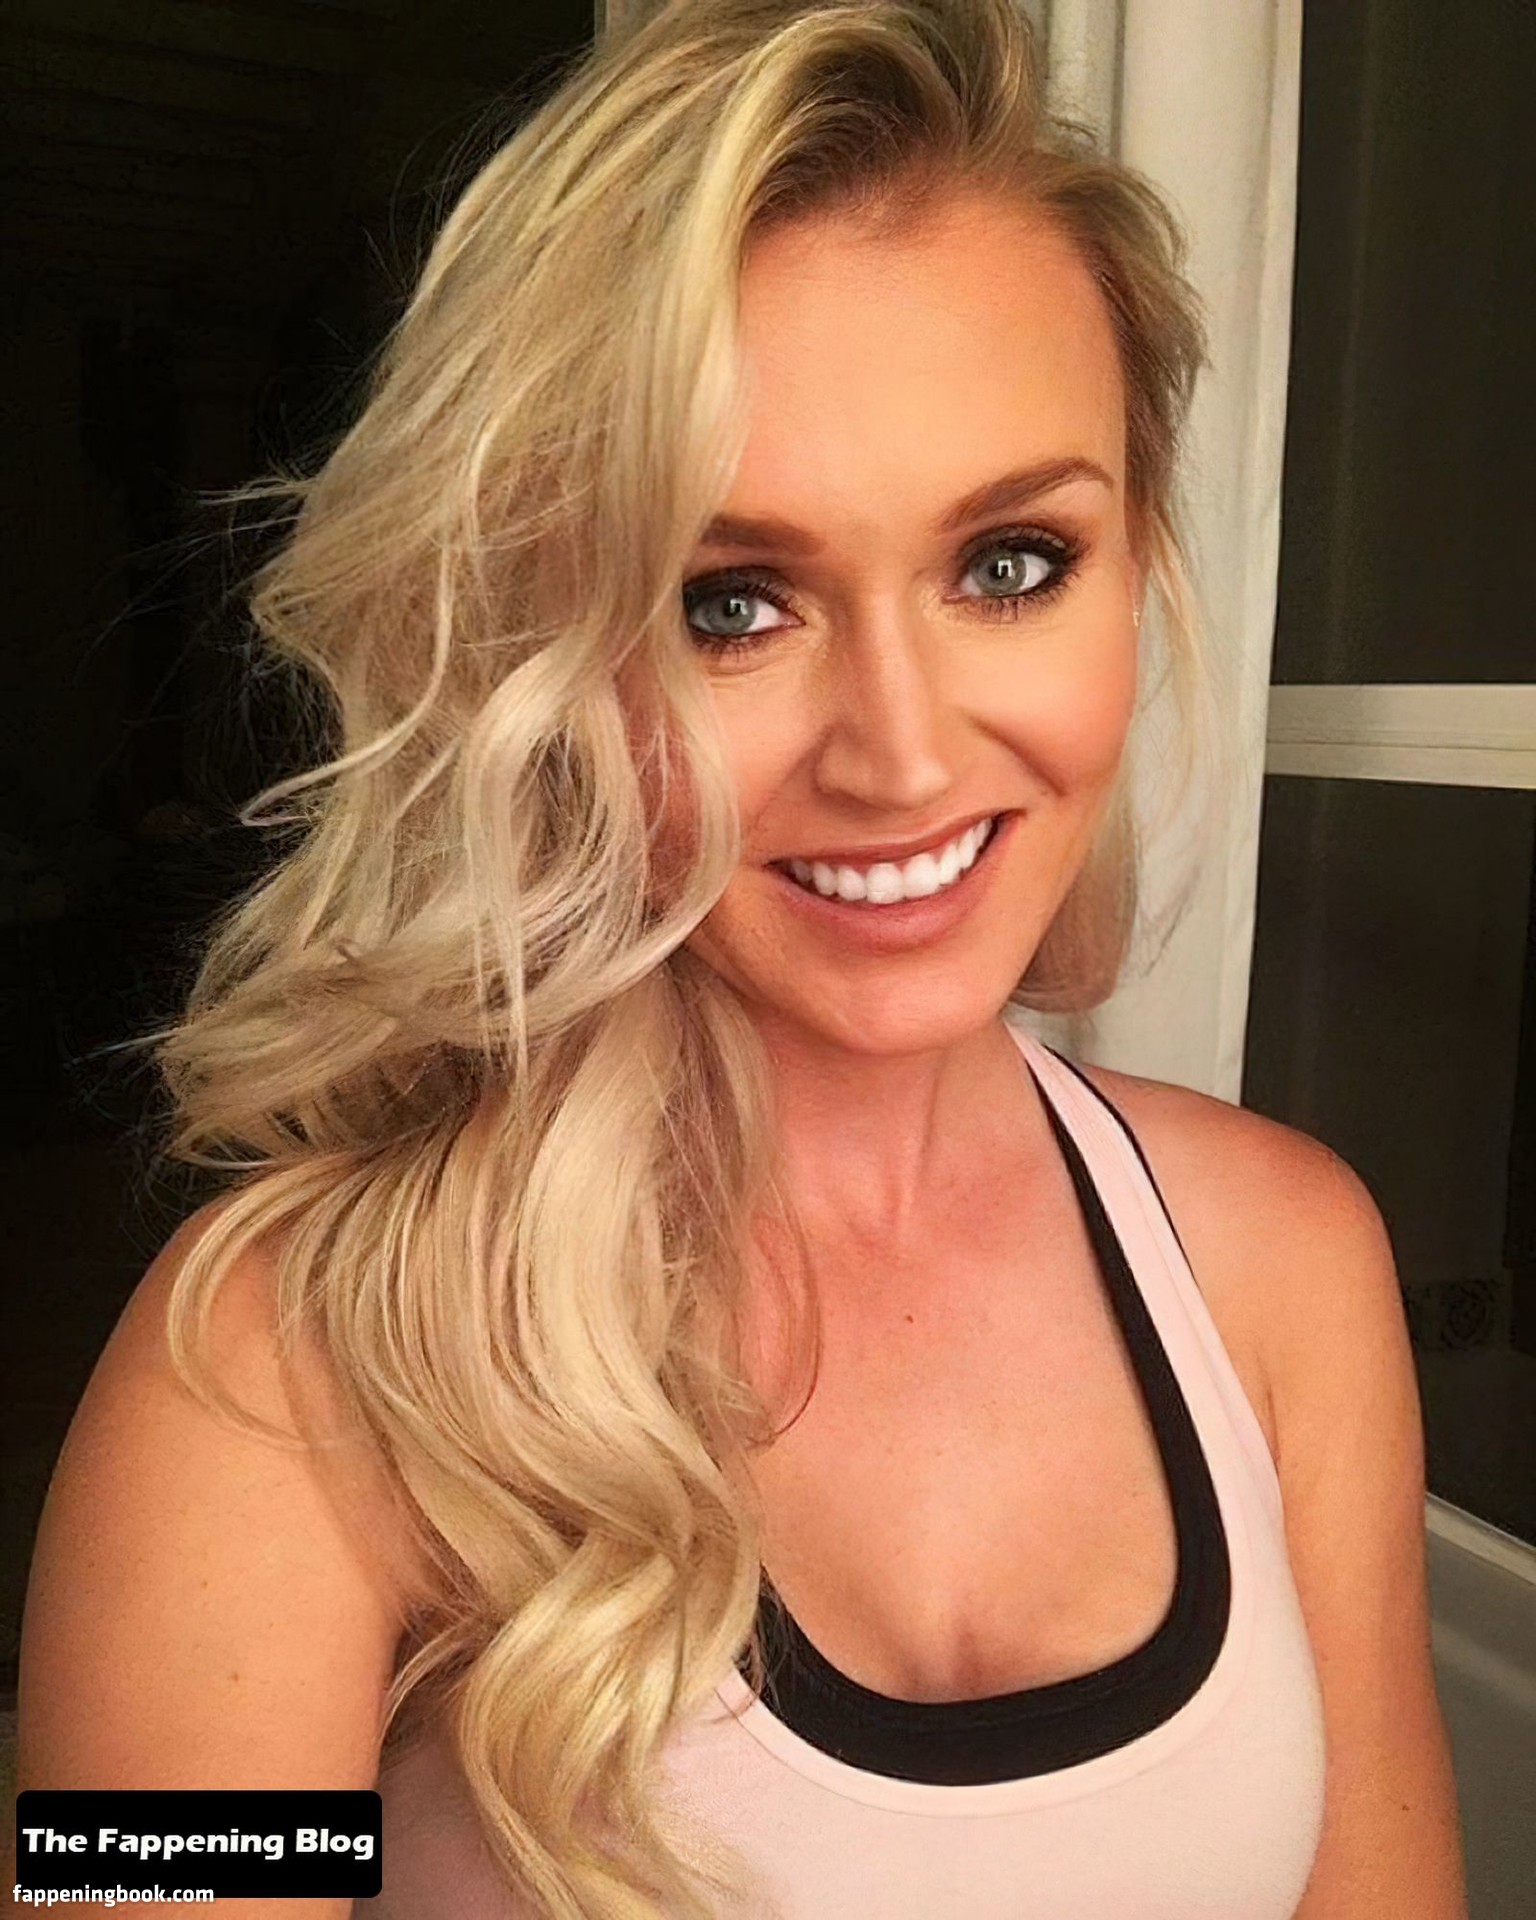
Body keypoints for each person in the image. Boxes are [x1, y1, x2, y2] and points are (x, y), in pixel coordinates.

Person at [16, 1, 1468, 1915]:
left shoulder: (1286, 1266)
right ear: (529, 653)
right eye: (730, 602)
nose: (905, 755)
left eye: (1010, 563)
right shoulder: (284, 1363)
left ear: (1138, 571)